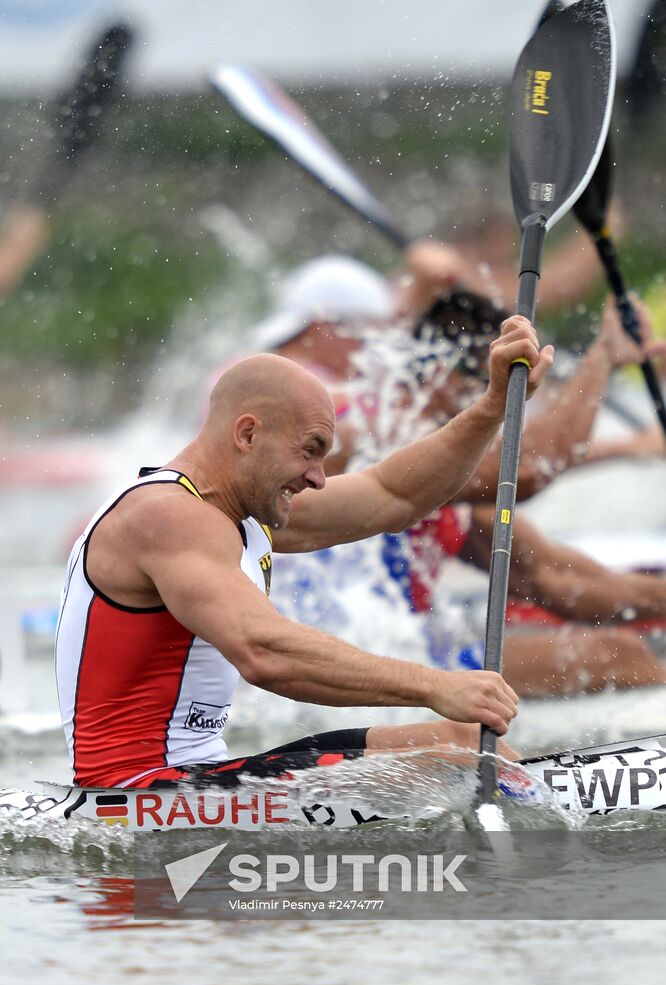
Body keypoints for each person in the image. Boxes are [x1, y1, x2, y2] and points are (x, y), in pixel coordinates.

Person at [55, 323, 552, 789]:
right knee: (461, 761)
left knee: (466, 745)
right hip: (134, 793)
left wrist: (491, 407)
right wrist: (434, 685)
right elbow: (262, 651)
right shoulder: (168, 516)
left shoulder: (238, 513)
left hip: (195, 776)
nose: (317, 476)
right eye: (310, 450)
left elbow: (393, 495)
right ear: (248, 434)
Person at [249, 254, 666, 696]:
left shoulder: (450, 486)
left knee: (620, 649)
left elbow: (556, 580)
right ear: (438, 372)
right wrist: (601, 359)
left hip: (398, 646)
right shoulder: (371, 430)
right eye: (484, 378)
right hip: (308, 662)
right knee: (619, 657)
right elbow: (528, 470)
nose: (493, 396)